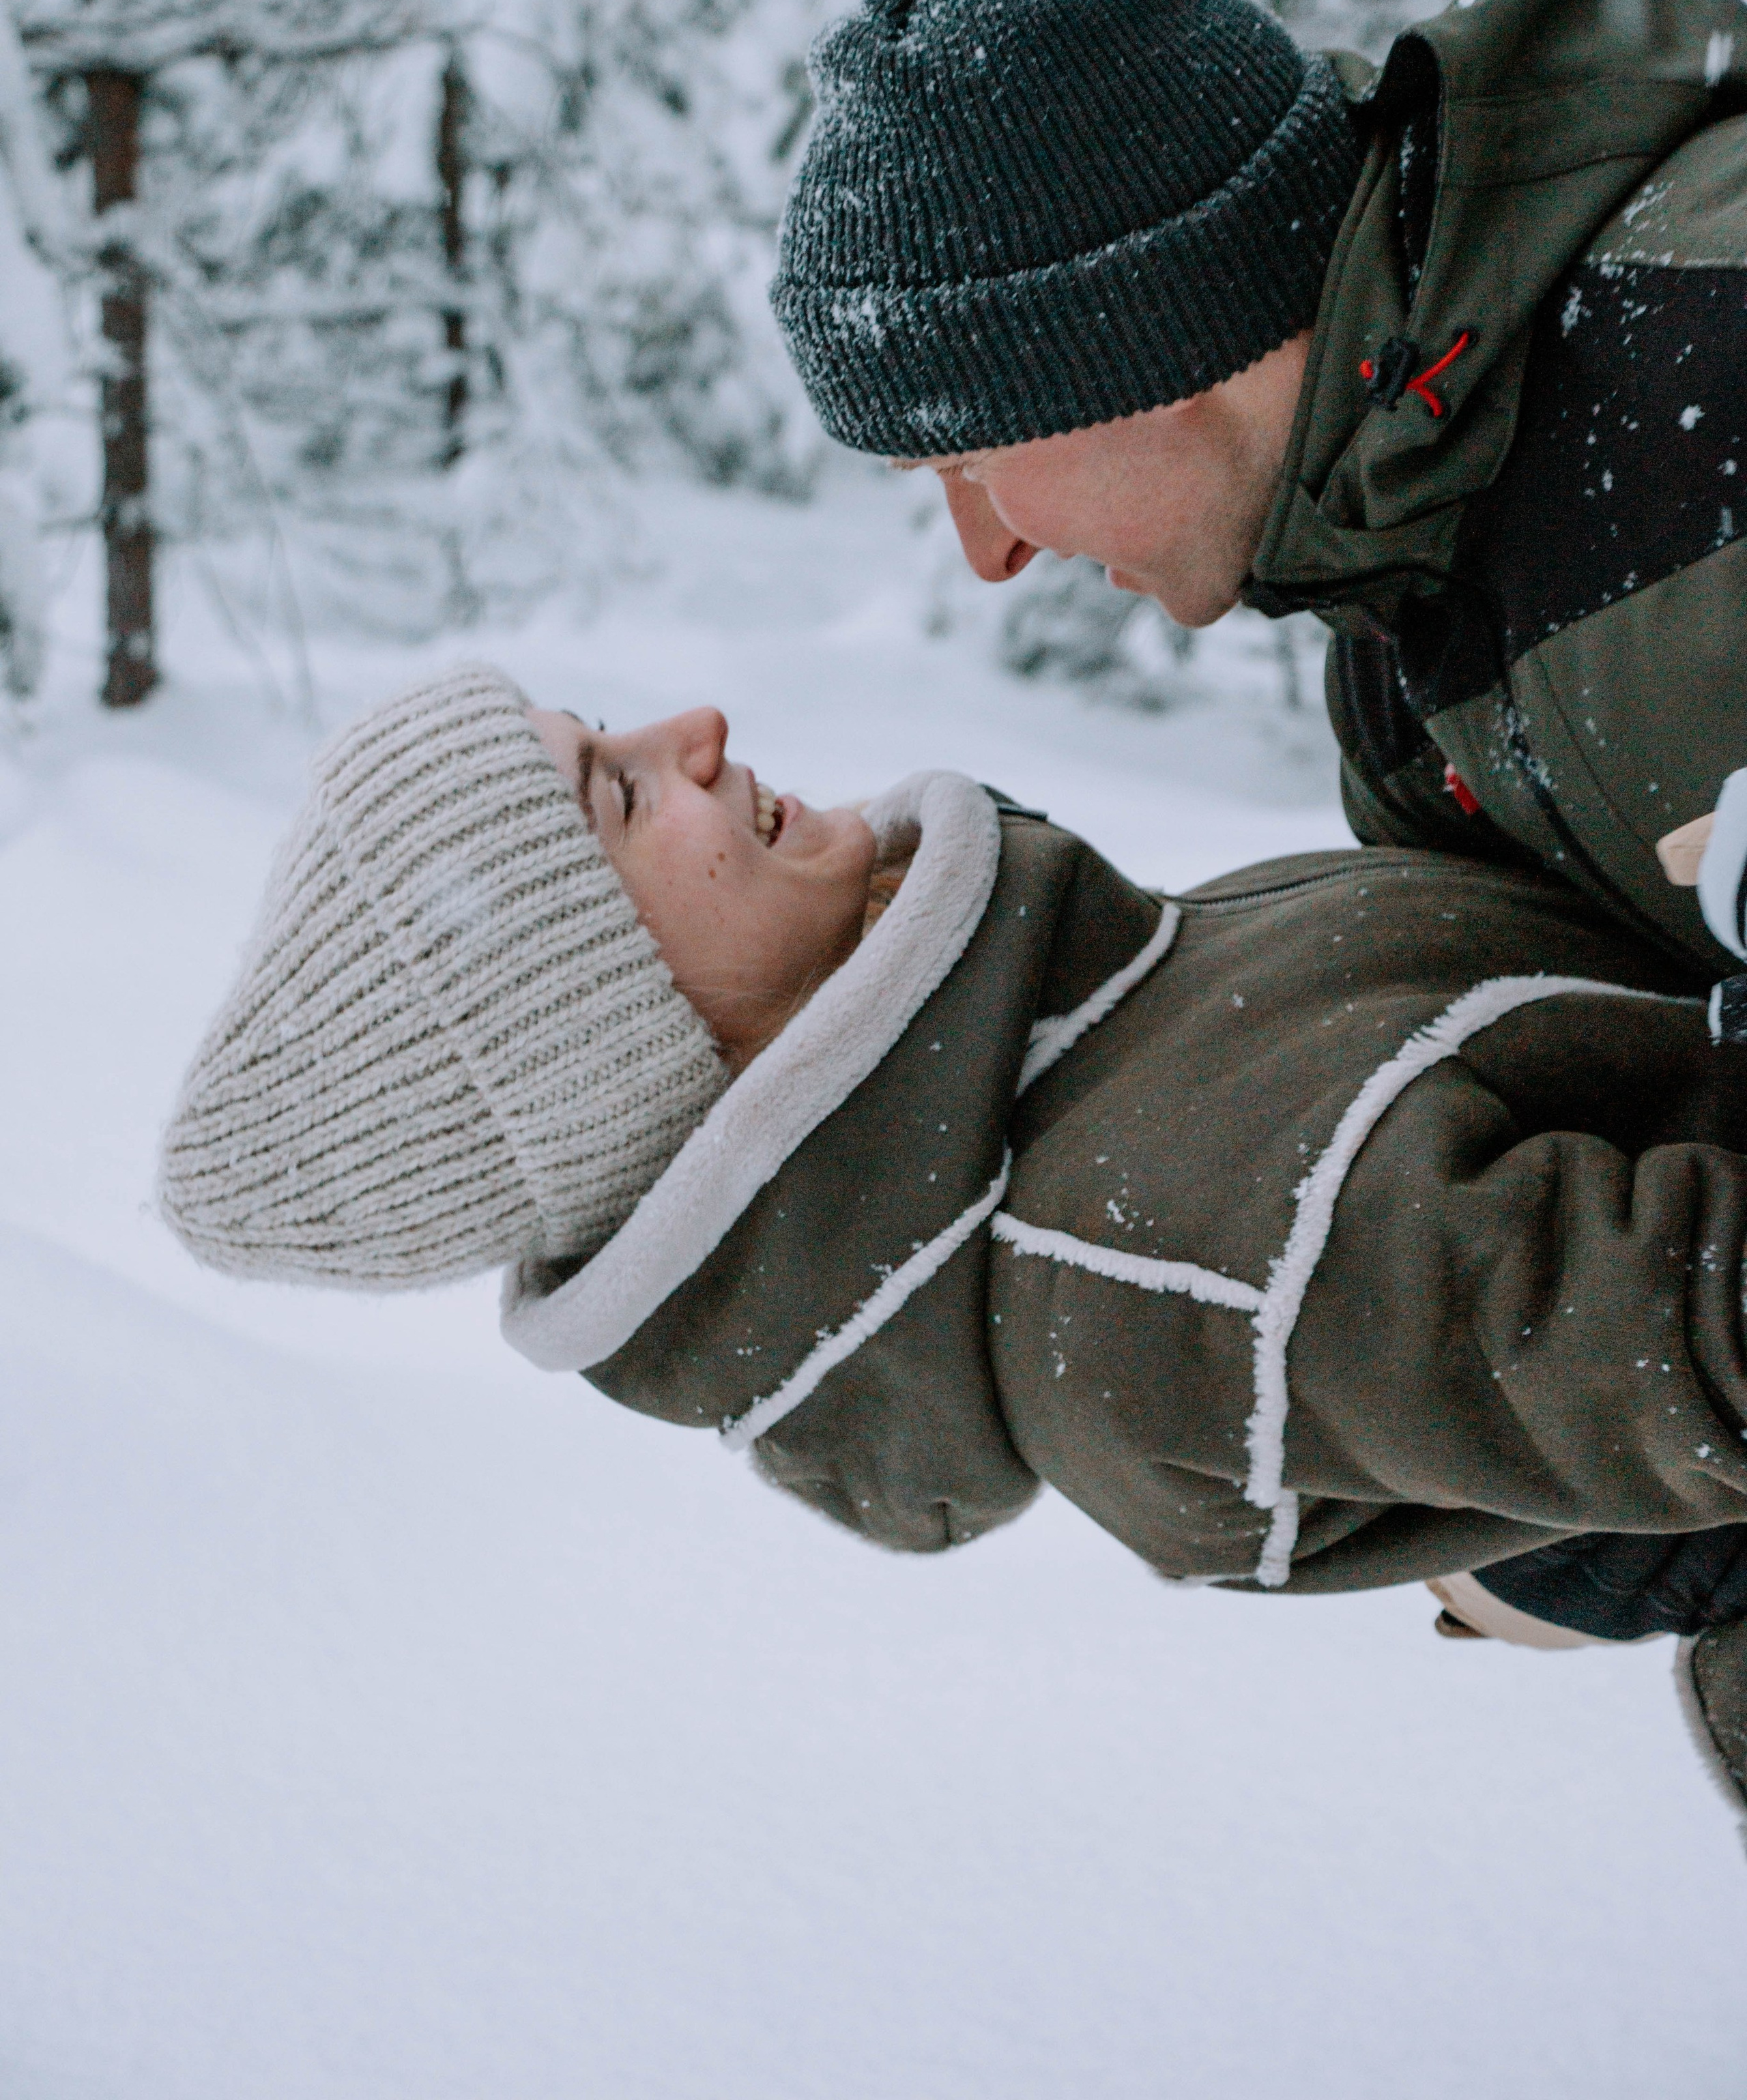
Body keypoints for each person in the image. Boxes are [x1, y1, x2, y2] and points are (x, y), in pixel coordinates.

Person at [160, 665, 1747, 1825]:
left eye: (611, 731)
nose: (693, 729)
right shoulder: (1148, 1272)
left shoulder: (1077, 1025)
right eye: (620, 794)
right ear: (610, 1040)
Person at [768, 0, 1747, 985]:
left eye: (969, 462)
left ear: (1141, 348)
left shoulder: (1705, 347)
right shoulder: (1402, 668)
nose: (991, 554)